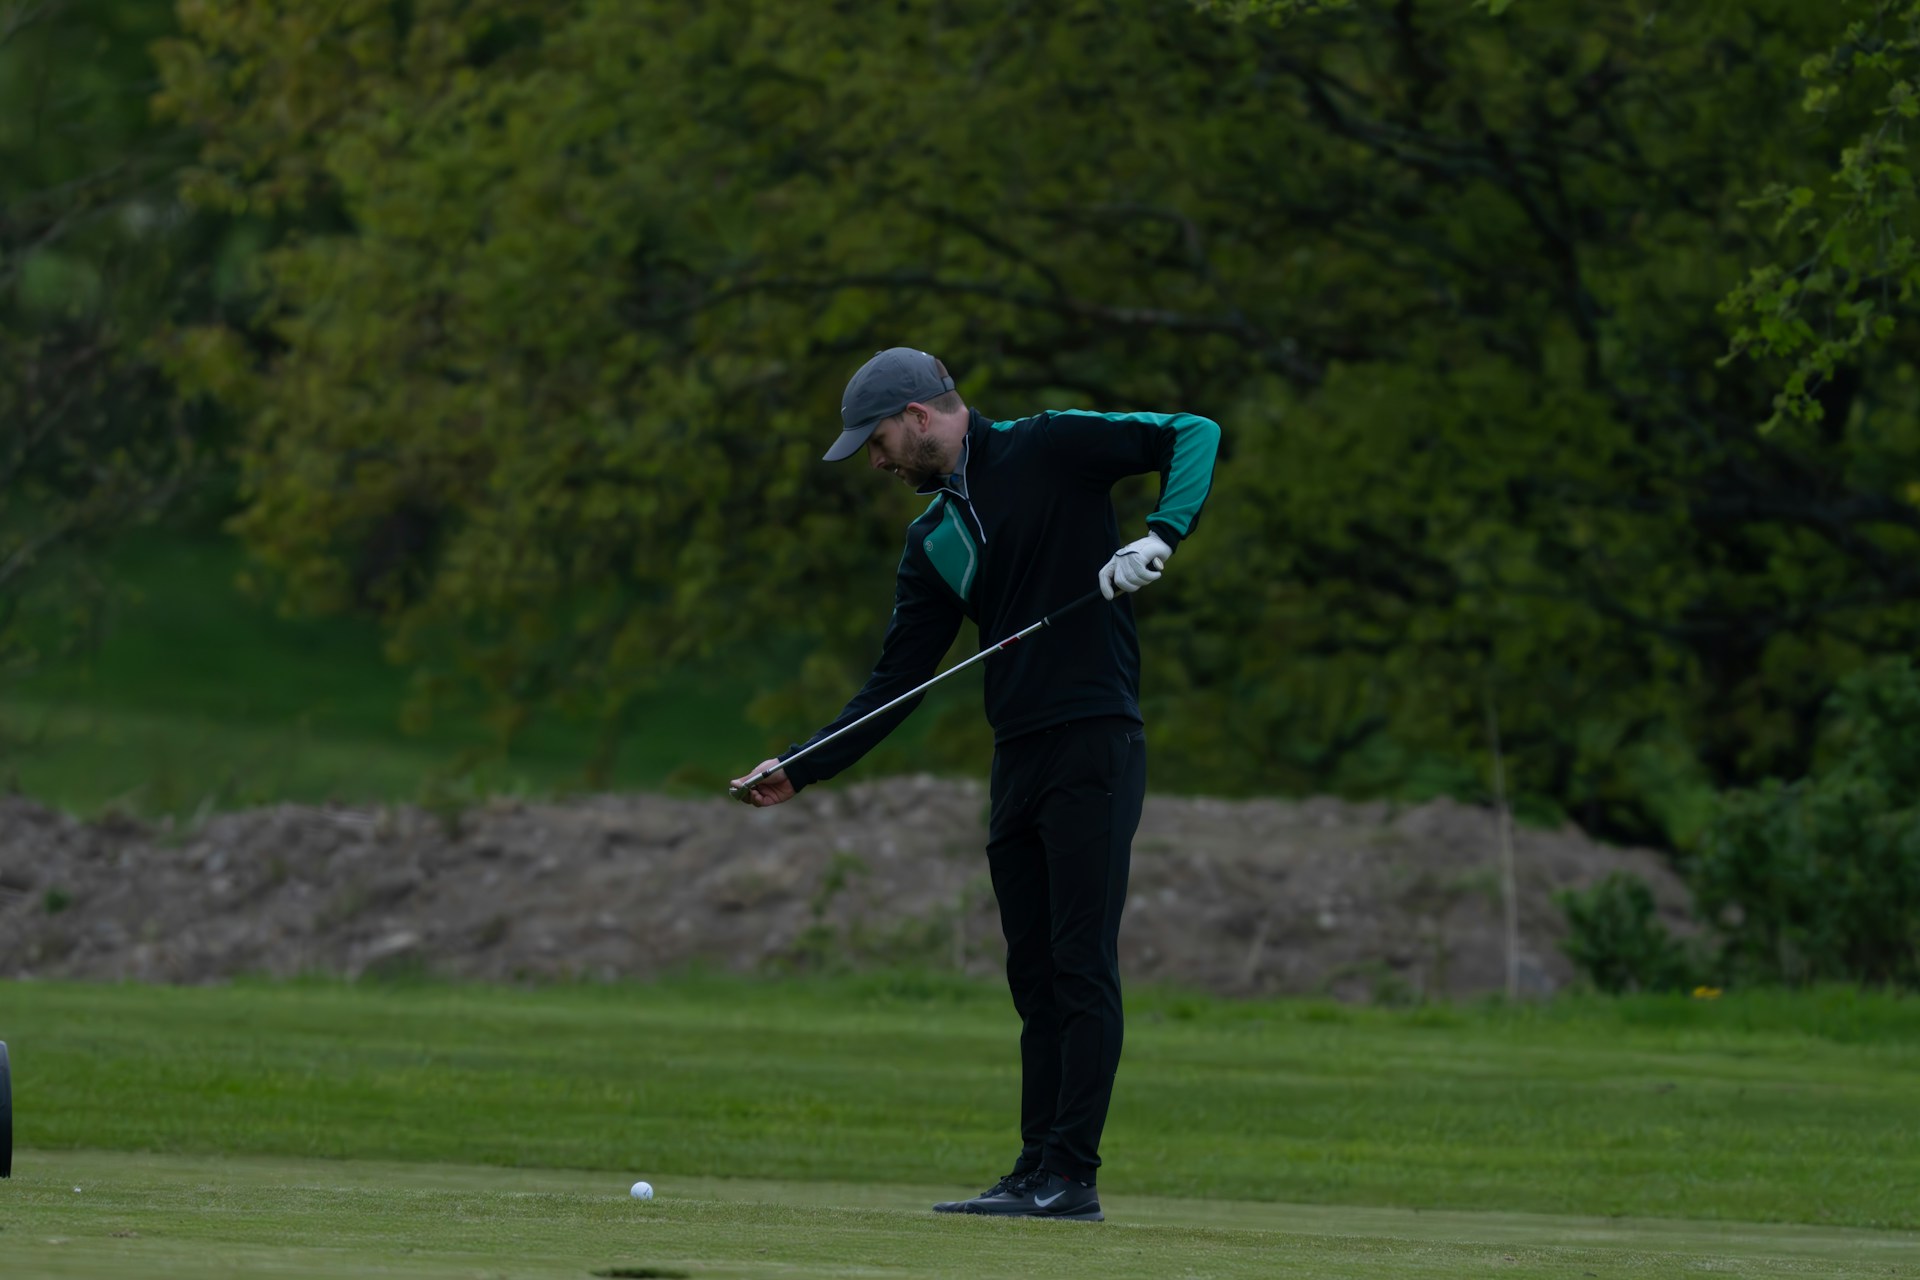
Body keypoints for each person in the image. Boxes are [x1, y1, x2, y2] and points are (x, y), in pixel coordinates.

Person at [730, 347, 1220, 1222]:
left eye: (876, 441)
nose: (874, 462)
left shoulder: (1052, 445)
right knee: (1032, 973)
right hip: (1018, 756)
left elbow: (1194, 430)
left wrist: (1162, 532)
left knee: (1080, 962)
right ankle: (1035, 1171)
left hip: (1094, 741)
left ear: (919, 416)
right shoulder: (933, 542)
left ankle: (1073, 1175)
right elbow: (897, 684)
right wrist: (802, 764)